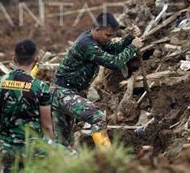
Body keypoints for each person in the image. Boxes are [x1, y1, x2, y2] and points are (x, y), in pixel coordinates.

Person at [50, 12, 143, 147]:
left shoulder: (96, 39)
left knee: (63, 142)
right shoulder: (86, 44)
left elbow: (114, 49)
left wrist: (129, 38)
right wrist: (133, 47)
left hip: (67, 92)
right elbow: (114, 63)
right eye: (108, 35)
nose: (110, 39)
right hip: (62, 92)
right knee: (97, 117)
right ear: (97, 30)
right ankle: (107, 159)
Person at [0, 39, 53, 171]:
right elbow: (47, 126)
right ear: (36, 60)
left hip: (7, 150)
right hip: (33, 151)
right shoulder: (41, 87)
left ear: (14, 59)